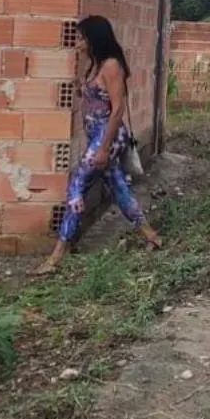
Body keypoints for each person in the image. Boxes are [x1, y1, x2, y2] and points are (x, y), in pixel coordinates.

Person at [32, 15, 162, 275]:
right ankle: (151, 236)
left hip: (107, 135)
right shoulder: (95, 64)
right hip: (96, 135)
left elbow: (117, 110)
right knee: (118, 188)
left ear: (94, 38)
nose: (78, 41)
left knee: (76, 187)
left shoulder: (111, 66)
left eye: (82, 37)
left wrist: (104, 147)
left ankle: (57, 256)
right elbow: (94, 97)